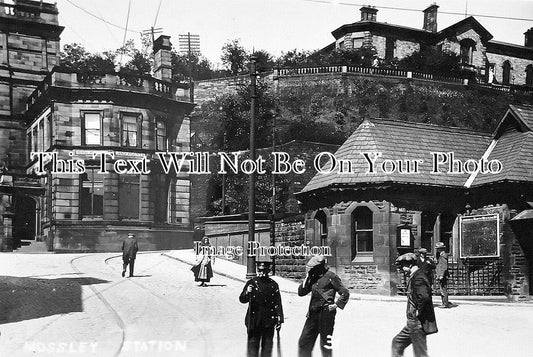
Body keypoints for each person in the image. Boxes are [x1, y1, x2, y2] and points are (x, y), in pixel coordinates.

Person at [297, 255, 349, 357]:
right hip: (312, 314)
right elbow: (301, 292)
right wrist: (307, 278)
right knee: (304, 343)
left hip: (326, 314)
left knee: (325, 345)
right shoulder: (312, 277)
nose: (311, 270)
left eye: (313, 268)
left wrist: (336, 305)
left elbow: (345, 293)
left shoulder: (331, 276)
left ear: (319, 267)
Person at [392, 252, 438, 357]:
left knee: (420, 354)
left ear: (410, 265)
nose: (403, 269)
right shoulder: (417, 275)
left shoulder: (418, 278)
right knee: (397, 343)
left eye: (403, 266)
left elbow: (424, 297)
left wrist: (418, 312)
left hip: (416, 322)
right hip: (413, 323)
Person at [239, 261, 284, 357]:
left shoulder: (273, 284)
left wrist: (279, 319)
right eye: (259, 270)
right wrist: (247, 292)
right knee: (252, 349)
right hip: (254, 320)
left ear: (268, 271)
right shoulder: (252, 283)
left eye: (264, 271)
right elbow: (242, 299)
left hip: (268, 321)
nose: (261, 273)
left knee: (267, 349)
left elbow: (277, 303)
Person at [435, 241, 452, 308]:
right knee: (441, 289)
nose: (437, 250)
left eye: (438, 248)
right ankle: (444, 302)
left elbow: (444, 266)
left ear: (441, 249)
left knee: (443, 289)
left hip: (443, 275)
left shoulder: (443, 255)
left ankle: (445, 303)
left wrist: (441, 275)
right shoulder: (439, 255)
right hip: (440, 274)